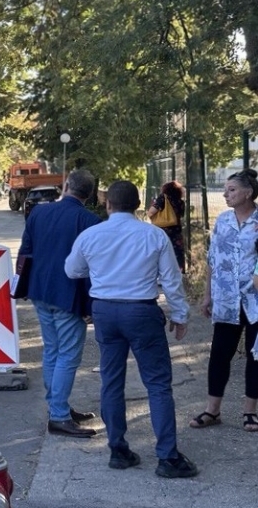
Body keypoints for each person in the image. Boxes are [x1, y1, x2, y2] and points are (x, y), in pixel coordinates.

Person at [65, 180, 197, 478]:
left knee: (111, 381)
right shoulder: (154, 236)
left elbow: (72, 270)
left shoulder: (91, 235)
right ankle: (167, 457)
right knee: (158, 384)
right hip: (141, 311)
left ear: (108, 204)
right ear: (138, 205)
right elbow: (171, 280)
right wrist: (180, 314)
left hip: (105, 311)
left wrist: (100, 270)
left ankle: (118, 450)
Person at [17, 169, 101, 438]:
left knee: (52, 350)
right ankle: (59, 416)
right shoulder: (89, 221)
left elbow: (25, 250)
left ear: (66, 186)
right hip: (69, 297)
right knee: (67, 355)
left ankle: (58, 407)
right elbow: (92, 267)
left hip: (40, 290)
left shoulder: (38, 213)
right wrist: (91, 307)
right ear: (89, 195)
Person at [189, 168, 258, 433]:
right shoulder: (223, 221)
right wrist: (207, 295)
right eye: (226, 190)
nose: (226, 194)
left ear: (248, 193)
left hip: (255, 301)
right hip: (227, 299)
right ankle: (212, 409)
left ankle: (250, 411)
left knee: (256, 356)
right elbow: (212, 260)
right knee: (220, 354)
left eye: (232, 190)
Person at [146, 180, 186, 271]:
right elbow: (181, 215)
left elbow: (151, 212)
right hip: (176, 232)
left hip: (162, 231)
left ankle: (162, 274)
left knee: (162, 253)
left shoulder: (163, 198)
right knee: (177, 253)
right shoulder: (181, 202)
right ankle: (179, 271)